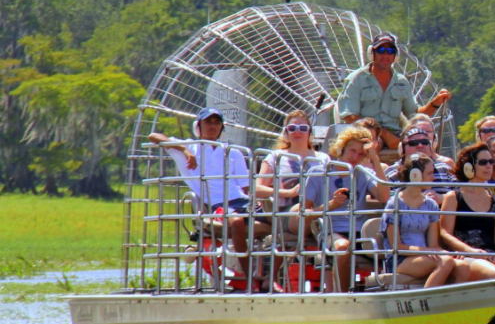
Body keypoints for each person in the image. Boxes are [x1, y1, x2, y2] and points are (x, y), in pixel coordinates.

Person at [229, 110, 330, 282]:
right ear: (286, 132)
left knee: (317, 213)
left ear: (310, 132)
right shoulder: (276, 158)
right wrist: (287, 193)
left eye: (303, 128)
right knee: (303, 211)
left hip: (318, 210)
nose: (297, 131)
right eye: (292, 128)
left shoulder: (323, 159)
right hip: (287, 212)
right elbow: (257, 189)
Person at [302, 127, 389, 292]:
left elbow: (385, 198)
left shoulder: (364, 173)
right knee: (343, 247)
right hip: (331, 232)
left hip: (360, 233)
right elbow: (304, 214)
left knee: (393, 242)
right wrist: (332, 205)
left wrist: (375, 159)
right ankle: (344, 296)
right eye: (352, 151)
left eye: (361, 154)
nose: (355, 157)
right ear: (341, 149)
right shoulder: (318, 173)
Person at [336, 32, 451, 149]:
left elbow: (414, 115)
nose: (385, 55)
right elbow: (350, 117)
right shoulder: (355, 80)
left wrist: (436, 102)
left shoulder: (401, 82)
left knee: (421, 146)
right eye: (381, 50)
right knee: (373, 145)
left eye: (390, 51)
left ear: (395, 56)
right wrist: (383, 133)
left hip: (396, 135)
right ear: (372, 53)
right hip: (364, 133)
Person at [148, 107, 250, 214]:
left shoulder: (233, 152)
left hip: (239, 199)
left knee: (267, 218)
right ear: (197, 126)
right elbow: (153, 136)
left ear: (222, 128)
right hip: (215, 204)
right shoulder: (190, 146)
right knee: (237, 221)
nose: (213, 126)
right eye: (208, 122)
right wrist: (185, 151)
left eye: (217, 123)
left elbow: (245, 186)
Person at [380, 154, 456, 288]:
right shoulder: (395, 204)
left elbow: (433, 245)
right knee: (446, 262)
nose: (433, 178)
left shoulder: (431, 204)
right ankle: (428, 302)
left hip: (425, 255)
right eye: (430, 173)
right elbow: (397, 247)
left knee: (462, 266)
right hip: (400, 259)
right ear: (415, 175)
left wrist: (447, 253)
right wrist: (426, 251)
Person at [440, 143, 495, 283]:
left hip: (491, 255)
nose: (489, 166)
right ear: (468, 167)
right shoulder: (453, 197)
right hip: (466, 255)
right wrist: (469, 250)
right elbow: (444, 233)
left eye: (491, 161)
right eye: (483, 162)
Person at [384, 125, 458, 203]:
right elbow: (388, 198)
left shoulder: (444, 168)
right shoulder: (391, 172)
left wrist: (442, 198)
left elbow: (462, 192)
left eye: (425, 142)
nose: (420, 145)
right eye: (413, 143)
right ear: (402, 148)